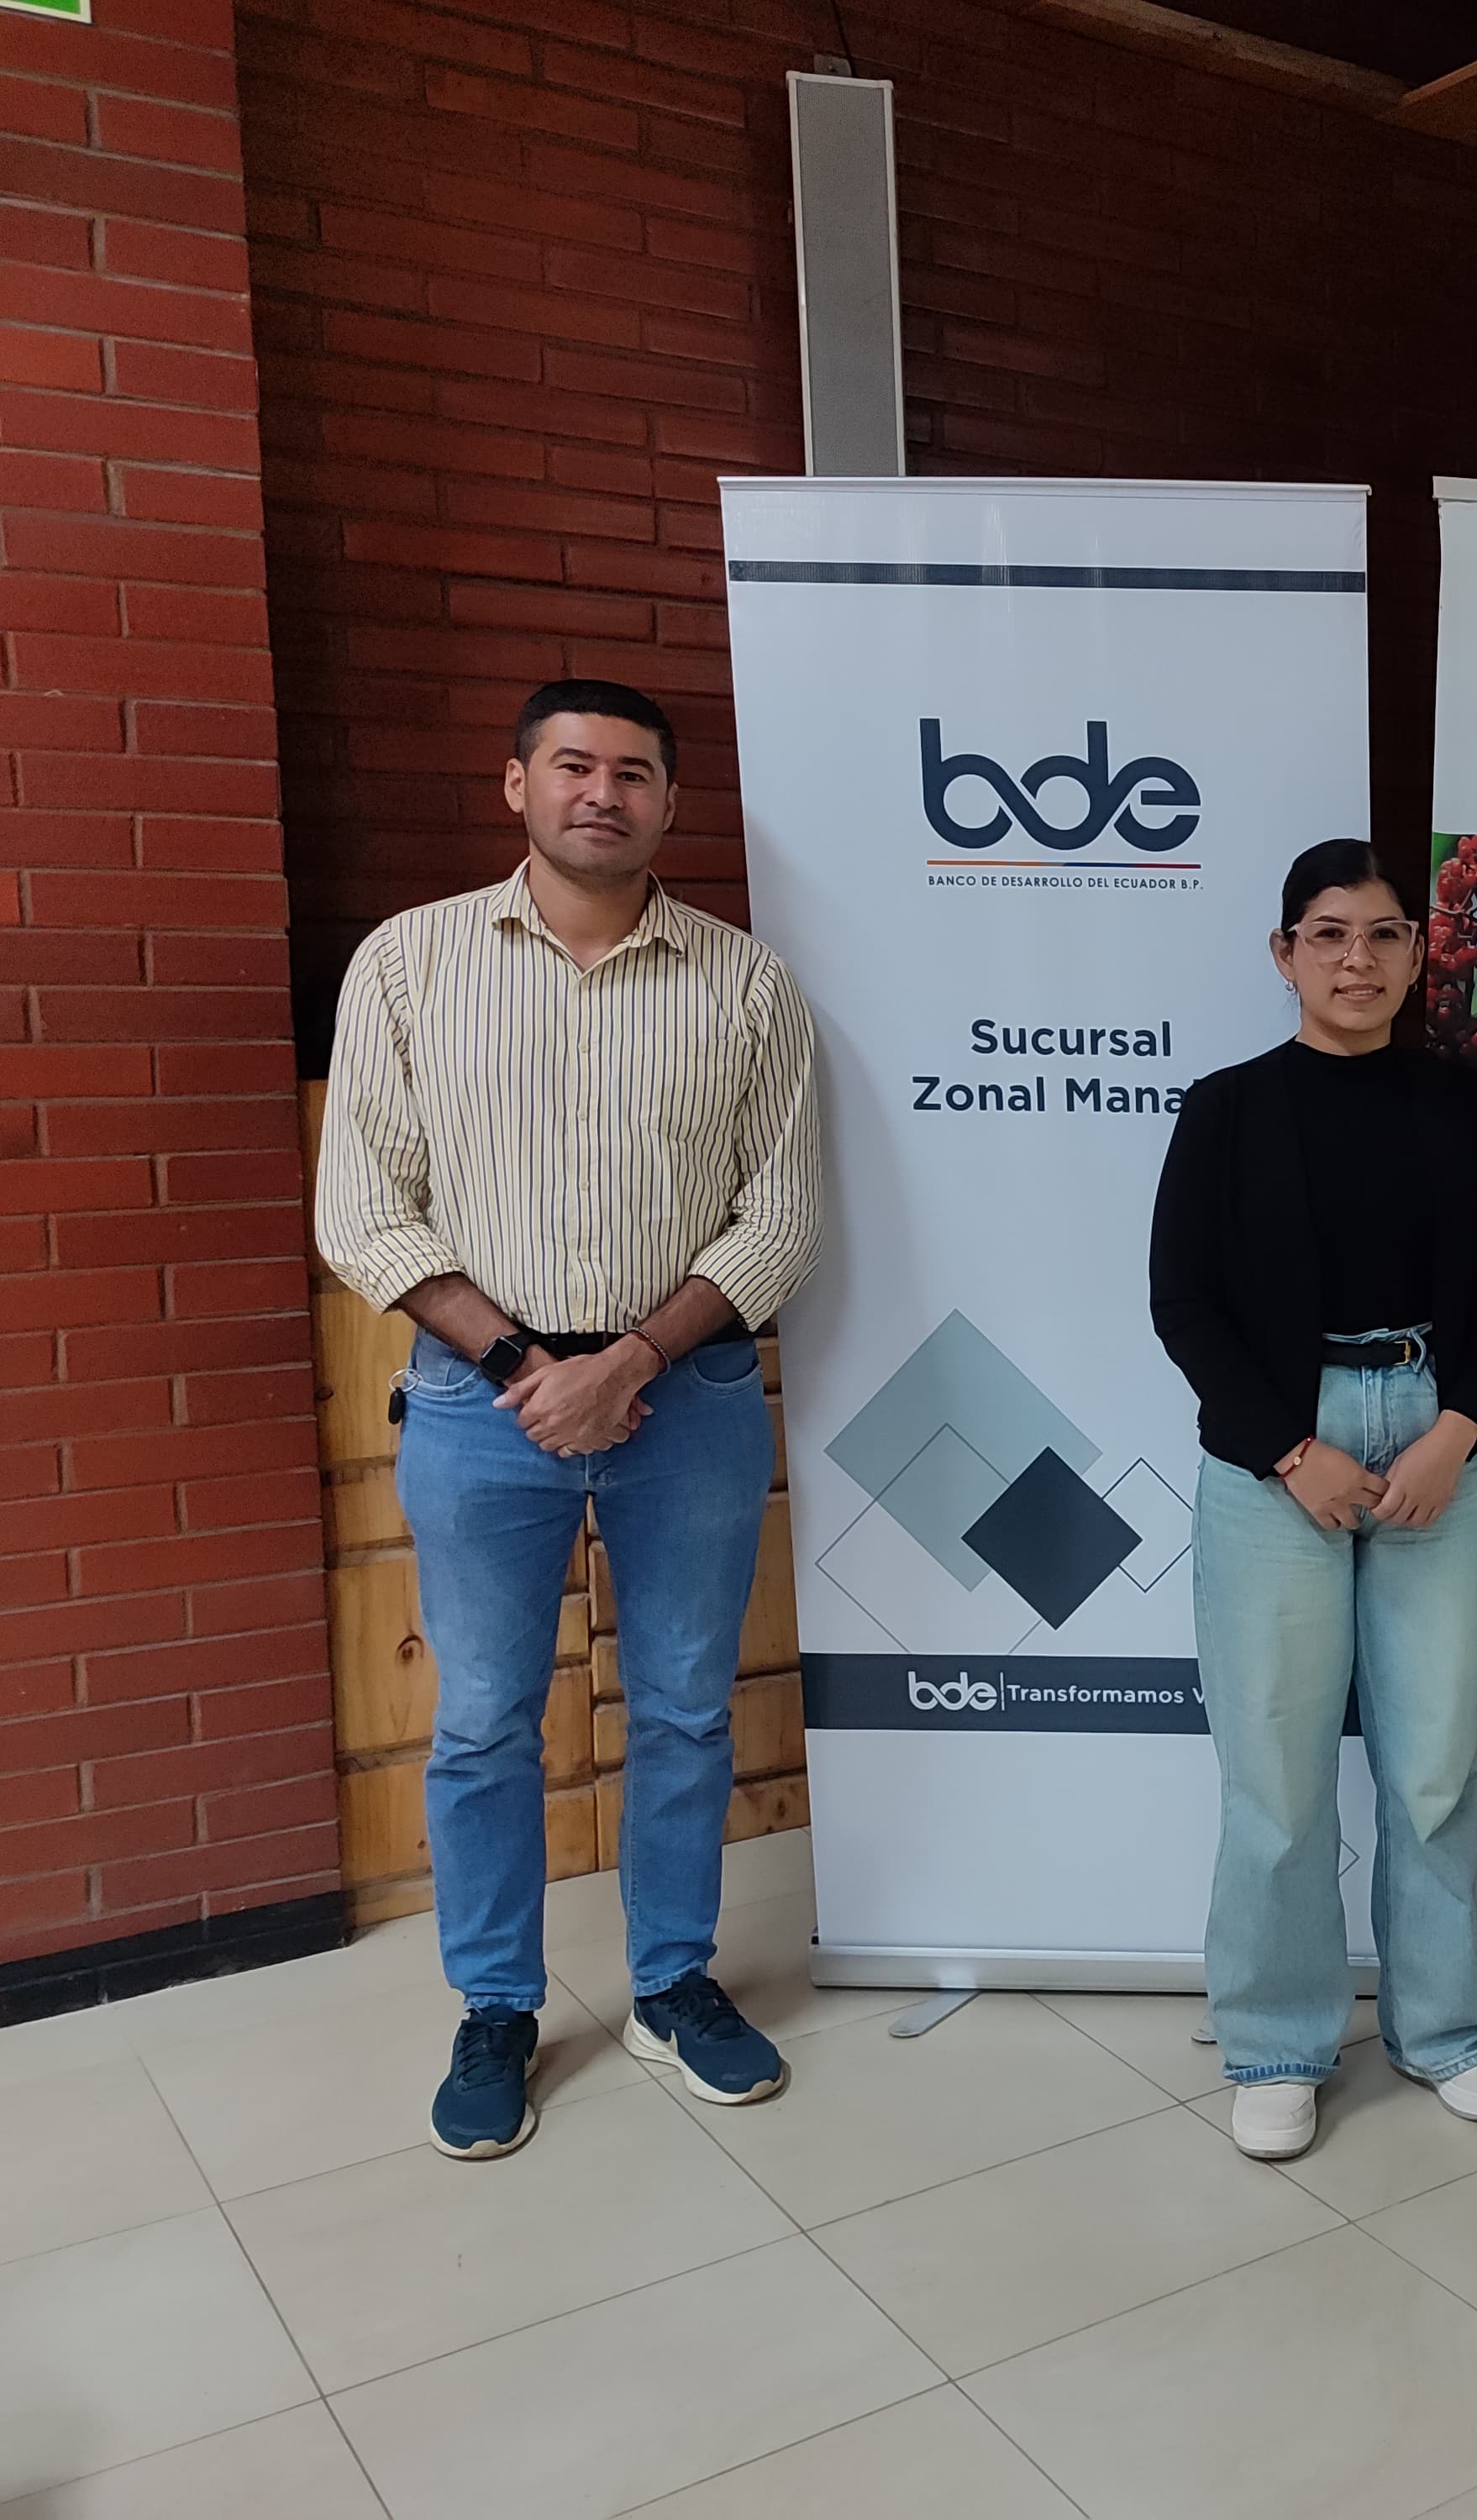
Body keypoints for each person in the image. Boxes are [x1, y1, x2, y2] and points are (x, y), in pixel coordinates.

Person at [314, 678, 823, 2162]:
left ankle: (671, 1982)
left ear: (670, 803)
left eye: (635, 773)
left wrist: (630, 1361)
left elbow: (783, 1217)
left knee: (683, 1707)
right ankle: (496, 2007)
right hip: (483, 1406)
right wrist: (530, 1362)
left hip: (690, 1396)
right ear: (517, 785)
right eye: (574, 766)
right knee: (482, 1721)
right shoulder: (409, 964)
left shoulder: (745, 986)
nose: (604, 793)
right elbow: (363, 1210)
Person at [1149, 837, 1477, 2160]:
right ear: (1285, 954)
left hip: (1436, 1433)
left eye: (1382, 934)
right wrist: (1288, 1448)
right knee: (1276, 1773)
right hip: (1278, 1454)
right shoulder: (1227, 1109)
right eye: (1327, 934)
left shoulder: (1459, 1103)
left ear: (1417, 955)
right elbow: (1182, 1302)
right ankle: (1277, 2043)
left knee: (1430, 1767)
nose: (1355, 960)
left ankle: (1450, 2030)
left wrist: (1456, 1435)